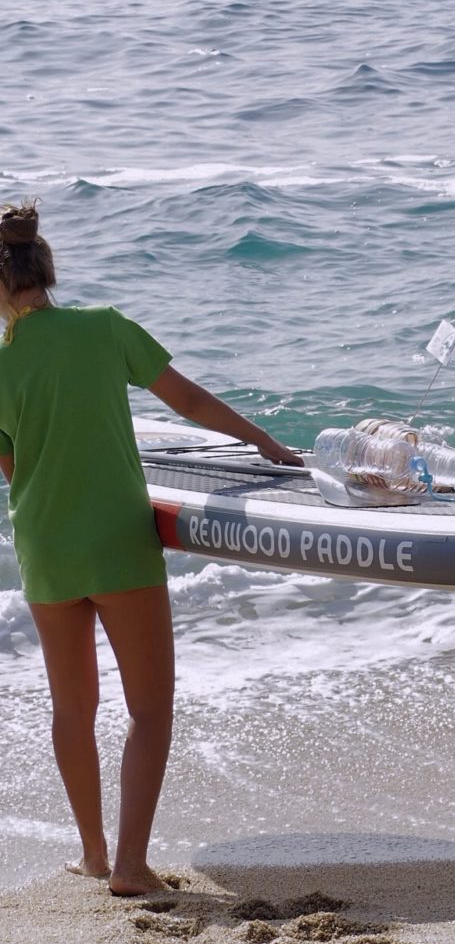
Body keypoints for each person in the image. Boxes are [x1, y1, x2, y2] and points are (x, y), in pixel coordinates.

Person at [0, 202, 300, 896]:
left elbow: (13, 466)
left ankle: (95, 854)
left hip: (46, 548)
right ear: (48, 268)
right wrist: (261, 442)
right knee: (149, 710)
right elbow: (187, 400)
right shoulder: (105, 328)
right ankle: (133, 867)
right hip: (117, 541)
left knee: (72, 709)